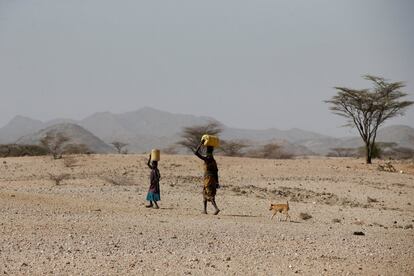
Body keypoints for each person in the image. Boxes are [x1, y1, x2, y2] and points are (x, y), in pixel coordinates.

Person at [194, 140, 220, 215]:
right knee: (205, 192)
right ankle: (204, 210)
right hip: (213, 179)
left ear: (207, 152)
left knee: (209, 194)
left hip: (208, 179)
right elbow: (216, 172)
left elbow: (196, 153)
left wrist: (201, 143)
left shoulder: (207, 159)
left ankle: (216, 208)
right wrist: (217, 182)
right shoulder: (213, 161)